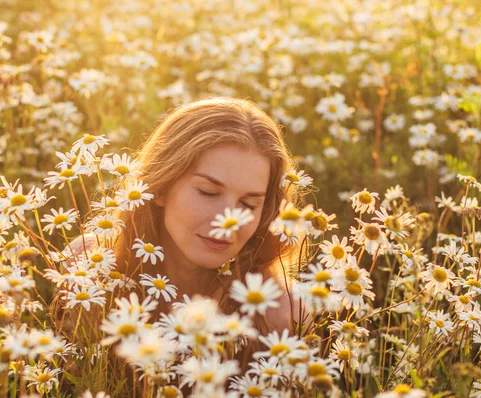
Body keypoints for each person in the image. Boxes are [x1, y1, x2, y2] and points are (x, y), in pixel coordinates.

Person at [66, 96, 305, 336]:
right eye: (208, 193)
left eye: (249, 204)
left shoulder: (283, 311)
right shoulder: (86, 266)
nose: (228, 222)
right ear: (160, 188)